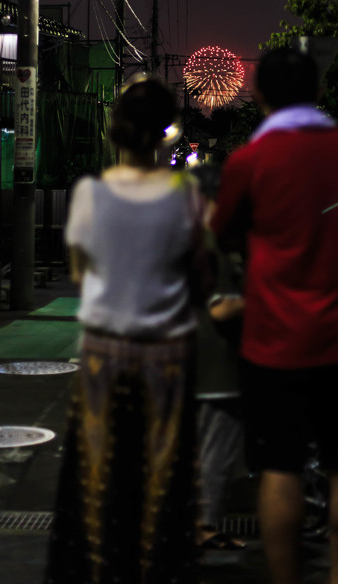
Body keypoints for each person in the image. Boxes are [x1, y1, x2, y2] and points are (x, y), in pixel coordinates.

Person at [45, 76, 212, 584]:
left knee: (100, 479)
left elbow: (81, 271)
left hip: (102, 353)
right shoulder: (187, 197)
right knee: (162, 481)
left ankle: (98, 570)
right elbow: (201, 278)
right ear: (167, 134)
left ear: (115, 130)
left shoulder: (90, 195)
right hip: (168, 352)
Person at [211, 46, 338, 584]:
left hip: (274, 340)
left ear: (257, 97)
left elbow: (221, 229)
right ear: (320, 93)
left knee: (279, 466)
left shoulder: (250, 161)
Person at [192, 163, 246, 551]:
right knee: (217, 452)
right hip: (217, 366)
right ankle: (206, 527)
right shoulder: (214, 242)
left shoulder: (193, 240)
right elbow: (219, 309)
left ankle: (198, 523)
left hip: (197, 361)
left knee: (201, 451)